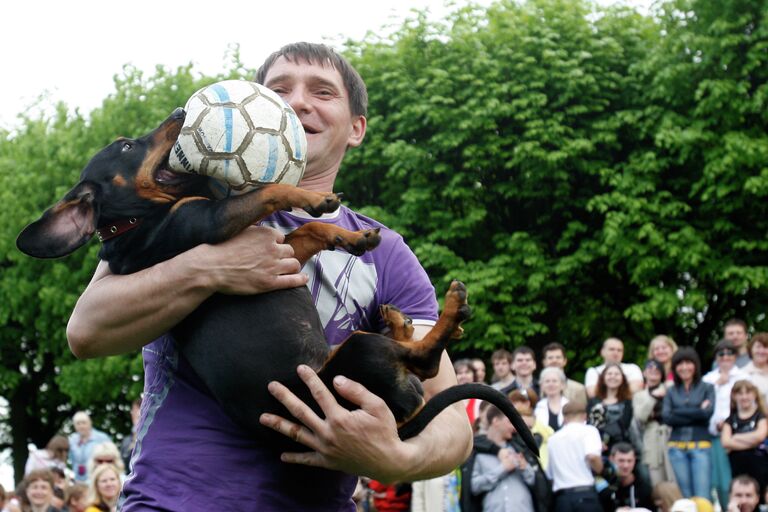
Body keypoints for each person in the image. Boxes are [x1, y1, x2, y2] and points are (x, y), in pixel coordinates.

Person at [66, 42, 472, 511]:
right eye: (279, 89)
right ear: (248, 108)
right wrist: (209, 268)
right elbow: (86, 331)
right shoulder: (181, 202)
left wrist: (397, 457)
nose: (298, 101)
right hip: (170, 502)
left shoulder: (387, 253)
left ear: (356, 128)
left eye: (322, 91)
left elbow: (451, 415)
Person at [662, 346, 715, 499]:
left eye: (688, 363)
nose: (684, 367)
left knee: (702, 496)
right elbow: (667, 417)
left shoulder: (707, 387)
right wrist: (697, 409)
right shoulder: (671, 391)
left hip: (701, 446)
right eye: (680, 364)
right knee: (684, 496)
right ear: (675, 367)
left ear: (695, 365)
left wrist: (678, 411)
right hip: (676, 448)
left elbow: (707, 415)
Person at [704, 340, 747, 507]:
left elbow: (747, 404)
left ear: (735, 356)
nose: (725, 357)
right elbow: (703, 404)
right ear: (716, 357)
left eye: (730, 353)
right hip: (714, 435)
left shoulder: (744, 376)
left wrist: (729, 424)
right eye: (721, 354)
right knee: (718, 481)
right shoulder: (708, 379)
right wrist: (717, 385)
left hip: (739, 436)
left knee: (737, 478)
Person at [471, 405, 536, 512]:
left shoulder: (519, 447)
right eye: (509, 422)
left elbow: (534, 480)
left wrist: (524, 467)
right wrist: (502, 469)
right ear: (496, 421)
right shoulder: (478, 453)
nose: (513, 427)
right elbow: (474, 487)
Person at [545, 401, 603, 512]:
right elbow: (592, 457)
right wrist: (600, 469)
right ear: (585, 416)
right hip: (585, 494)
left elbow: (550, 475)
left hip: (562, 499)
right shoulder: (589, 431)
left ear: (564, 417)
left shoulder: (553, 439)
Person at [721, 380, 768, 498]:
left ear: (754, 395)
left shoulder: (760, 416)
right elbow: (725, 442)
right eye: (740, 393)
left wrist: (736, 437)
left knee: (760, 497)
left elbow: (760, 436)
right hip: (737, 468)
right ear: (734, 396)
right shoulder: (730, 420)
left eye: (748, 393)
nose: (744, 397)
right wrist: (752, 441)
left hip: (760, 467)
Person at [632, 359, 675, 487]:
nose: (653, 372)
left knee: (674, 478)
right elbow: (640, 416)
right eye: (649, 369)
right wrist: (653, 397)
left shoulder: (670, 390)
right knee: (656, 481)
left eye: (657, 370)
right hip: (651, 440)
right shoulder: (639, 395)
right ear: (644, 373)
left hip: (670, 435)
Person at [587, 362, 635, 455]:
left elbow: (625, 425)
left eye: (616, 374)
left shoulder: (628, 402)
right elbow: (590, 425)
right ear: (603, 378)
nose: (613, 377)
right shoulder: (593, 401)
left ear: (622, 378)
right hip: (597, 447)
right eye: (609, 374)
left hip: (620, 449)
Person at [598, 442, 654, 512]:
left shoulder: (644, 487)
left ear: (634, 461)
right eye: (621, 461)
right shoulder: (603, 485)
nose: (625, 466)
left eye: (629, 461)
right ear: (611, 459)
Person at [67, 412, 111, 483]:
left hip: (97, 479)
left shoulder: (102, 438)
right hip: (78, 480)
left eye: (84, 423)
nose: (81, 426)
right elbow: (71, 459)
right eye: (78, 423)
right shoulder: (72, 440)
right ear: (74, 426)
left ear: (90, 423)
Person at [541, 343, 588, 407]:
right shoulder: (537, 388)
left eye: (558, 357)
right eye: (550, 358)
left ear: (565, 361)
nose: (554, 360)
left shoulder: (578, 389)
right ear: (544, 362)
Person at [535, 367, 570, 431]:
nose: (551, 384)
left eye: (554, 381)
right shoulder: (536, 407)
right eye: (547, 381)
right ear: (542, 386)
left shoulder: (570, 406)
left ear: (562, 385)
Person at [454, 358, 482, 426]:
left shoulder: (481, 397)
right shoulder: (451, 400)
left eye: (467, 372)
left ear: (474, 375)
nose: (463, 376)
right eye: (460, 373)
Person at [743, 333, 768, 402]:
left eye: (765, 347)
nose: (761, 351)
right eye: (758, 347)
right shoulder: (743, 374)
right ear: (751, 349)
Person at [118, 398, 141, 472]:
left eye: (139, 417)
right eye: (133, 412)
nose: (132, 414)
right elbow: (122, 466)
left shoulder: (157, 438)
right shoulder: (126, 441)